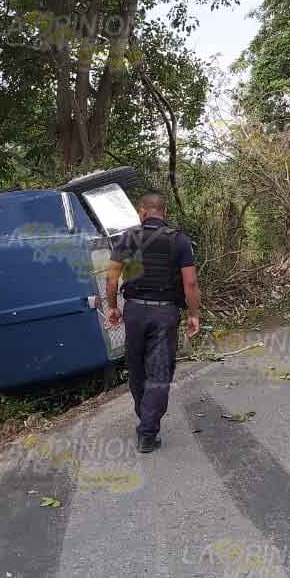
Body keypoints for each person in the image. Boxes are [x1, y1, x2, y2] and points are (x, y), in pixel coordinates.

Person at [105, 191, 200, 453]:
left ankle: (146, 420)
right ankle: (148, 430)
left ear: (142, 213)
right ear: (164, 213)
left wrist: (113, 307)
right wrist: (194, 314)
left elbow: (112, 279)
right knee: (159, 372)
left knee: (136, 369)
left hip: (134, 312)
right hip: (165, 314)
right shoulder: (179, 240)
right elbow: (190, 282)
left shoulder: (127, 238)